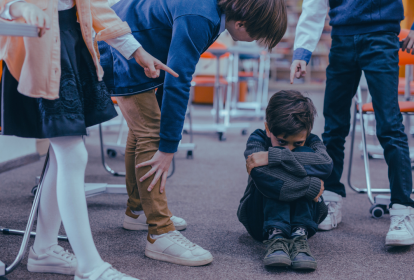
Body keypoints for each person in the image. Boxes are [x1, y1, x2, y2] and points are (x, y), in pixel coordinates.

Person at [98, 0, 288, 266]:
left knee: (143, 130)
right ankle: (160, 233)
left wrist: (166, 129)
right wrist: (167, 146)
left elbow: (172, 69)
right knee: (151, 135)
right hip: (119, 48)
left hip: (133, 46)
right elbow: (179, 79)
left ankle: (138, 210)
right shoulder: (201, 16)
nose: (254, 41)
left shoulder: (212, 13)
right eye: (255, 36)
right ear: (242, 23)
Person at [0, 0, 175, 279]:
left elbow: (95, 8)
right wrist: (17, 8)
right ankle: (89, 266)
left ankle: (44, 249)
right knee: (72, 154)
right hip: (40, 49)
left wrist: (138, 52)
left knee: (62, 156)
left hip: (72, 44)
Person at [290, 0, 414, 246]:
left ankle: (403, 210)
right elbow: (315, 3)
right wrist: (302, 51)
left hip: (381, 37)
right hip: (342, 41)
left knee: (389, 126)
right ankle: (331, 197)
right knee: (333, 126)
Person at [237, 90, 332, 270]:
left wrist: (276, 156)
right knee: (269, 175)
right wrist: (310, 186)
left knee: (303, 155)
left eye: (297, 143)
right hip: (260, 221)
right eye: (282, 142)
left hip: (305, 221)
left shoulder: (311, 141)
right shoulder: (257, 138)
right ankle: (276, 235)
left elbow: (326, 164)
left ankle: (299, 235)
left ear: (308, 131)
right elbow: (262, 176)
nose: (289, 149)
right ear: (268, 129)